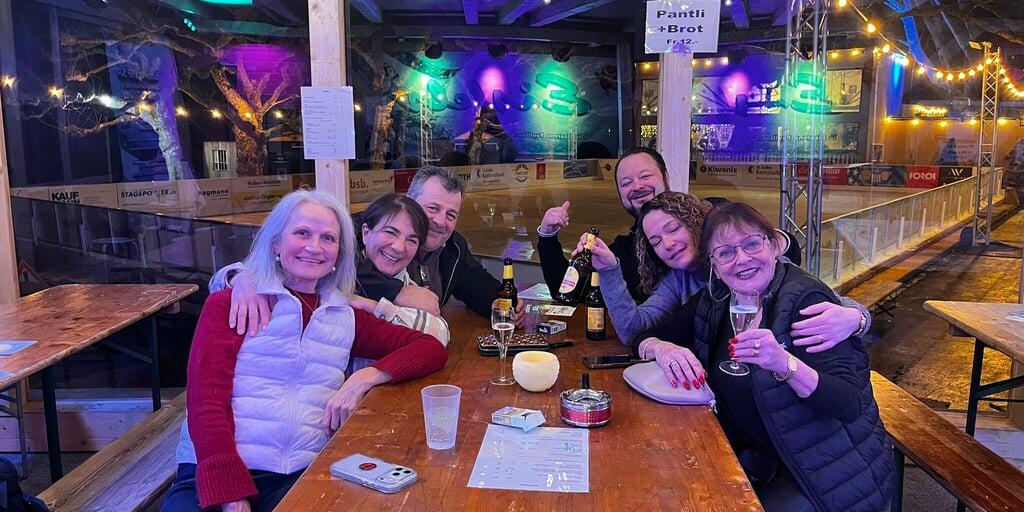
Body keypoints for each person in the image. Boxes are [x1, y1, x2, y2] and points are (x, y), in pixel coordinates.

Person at [162, 190, 447, 512]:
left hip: (301, 474)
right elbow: (206, 402)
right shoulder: (232, 304)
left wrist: (365, 378)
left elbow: (431, 348)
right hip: (215, 470)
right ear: (276, 243)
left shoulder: (344, 315)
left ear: (339, 253)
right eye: (302, 233)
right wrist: (231, 493)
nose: (314, 247)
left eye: (328, 238)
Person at [644, 202, 892, 511]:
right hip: (752, 457)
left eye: (751, 244)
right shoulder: (716, 298)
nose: (741, 259)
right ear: (714, 266)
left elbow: (848, 403)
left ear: (774, 245)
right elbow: (645, 336)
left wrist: (783, 364)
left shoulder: (806, 301)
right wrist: (662, 348)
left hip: (820, 470)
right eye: (725, 253)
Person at [212, 166, 524, 335]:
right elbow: (303, 263)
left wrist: (504, 302)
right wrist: (242, 277)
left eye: (451, 214)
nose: (441, 221)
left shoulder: (452, 247)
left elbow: (477, 287)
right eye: (432, 208)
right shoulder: (358, 230)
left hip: (391, 352)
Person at [576, 191, 870, 352]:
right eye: (656, 241)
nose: (668, 243)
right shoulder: (678, 281)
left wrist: (856, 318)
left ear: (695, 223)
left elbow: (823, 299)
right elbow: (633, 330)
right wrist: (610, 269)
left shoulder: (746, 266)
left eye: (673, 228)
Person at [537, 147, 668, 303]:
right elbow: (568, 292)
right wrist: (547, 235)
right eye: (626, 183)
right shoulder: (621, 252)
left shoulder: (691, 234)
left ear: (666, 177)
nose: (637, 186)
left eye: (645, 176)